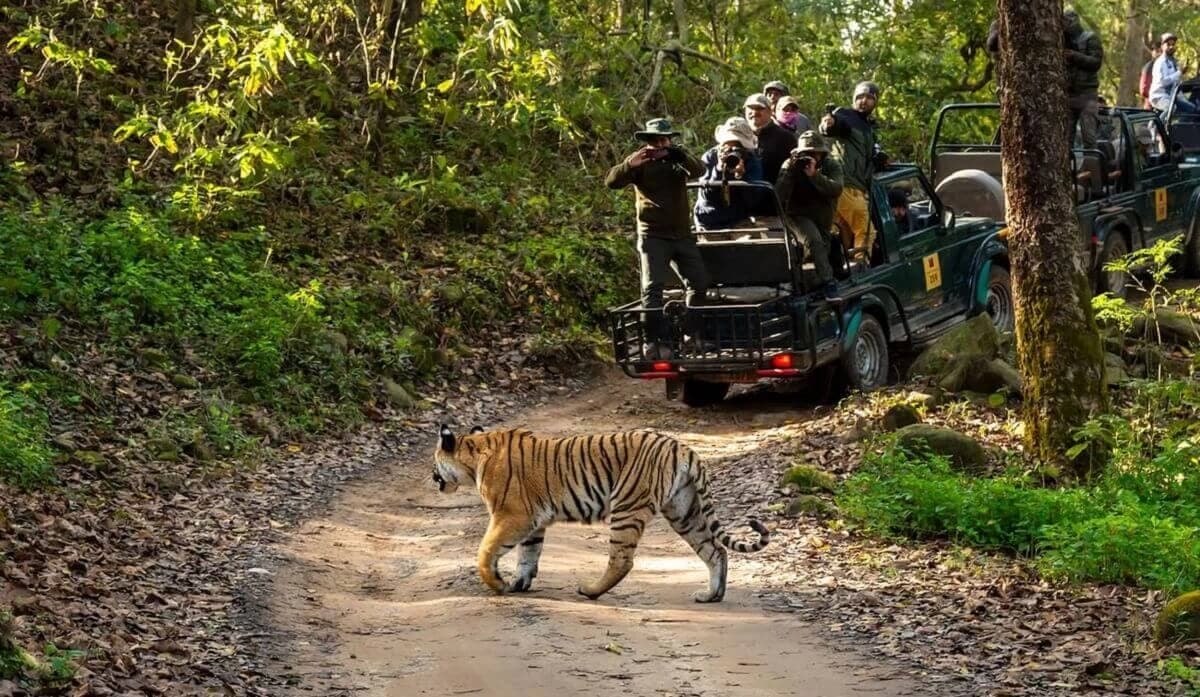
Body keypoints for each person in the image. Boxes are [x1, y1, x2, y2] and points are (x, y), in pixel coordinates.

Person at [605, 118, 707, 358]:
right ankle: (652, 342)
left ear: (670, 140)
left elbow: (700, 170)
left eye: (664, 139)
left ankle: (690, 335)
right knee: (652, 290)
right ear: (647, 141)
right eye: (655, 140)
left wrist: (678, 155)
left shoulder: (677, 159)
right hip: (653, 235)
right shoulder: (639, 162)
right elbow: (612, 181)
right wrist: (630, 165)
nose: (660, 144)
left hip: (681, 233)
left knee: (699, 282)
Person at [820, 81, 887, 264]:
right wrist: (829, 123)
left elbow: (867, 155)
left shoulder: (869, 127)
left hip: (856, 186)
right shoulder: (845, 115)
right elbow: (833, 127)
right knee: (866, 230)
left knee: (842, 231)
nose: (863, 101)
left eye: (869, 98)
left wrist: (878, 159)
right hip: (845, 184)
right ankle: (860, 267)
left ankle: (841, 268)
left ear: (875, 102)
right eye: (859, 97)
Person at [775, 131, 843, 298]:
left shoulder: (831, 165)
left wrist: (815, 175)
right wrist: (790, 170)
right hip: (797, 215)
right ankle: (829, 282)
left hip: (822, 216)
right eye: (806, 153)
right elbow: (778, 194)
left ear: (822, 153)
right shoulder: (791, 165)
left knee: (821, 250)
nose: (810, 157)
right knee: (814, 241)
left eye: (814, 153)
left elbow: (836, 189)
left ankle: (810, 281)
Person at [694, 117, 766, 230]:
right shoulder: (709, 157)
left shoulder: (751, 160)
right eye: (728, 146)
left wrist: (742, 177)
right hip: (710, 219)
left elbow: (755, 199)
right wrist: (718, 169)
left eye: (738, 147)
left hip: (738, 220)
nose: (733, 151)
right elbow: (707, 195)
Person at [1063, 9, 1103, 149]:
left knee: (1089, 137)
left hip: (1087, 95)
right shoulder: (1063, 40)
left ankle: (1092, 169)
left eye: (1067, 22)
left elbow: (1095, 63)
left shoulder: (1090, 38)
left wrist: (1074, 56)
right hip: (1069, 94)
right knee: (1065, 138)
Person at [744, 93, 797, 185]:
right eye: (750, 108)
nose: (754, 112)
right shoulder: (739, 135)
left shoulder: (786, 138)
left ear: (770, 111)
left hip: (773, 194)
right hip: (744, 193)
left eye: (759, 108)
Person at [1150, 33, 1198, 114]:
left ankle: (1179, 126)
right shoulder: (1160, 62)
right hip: (1159, 97)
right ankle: (1156, 126)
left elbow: (1176, 84)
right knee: (1172, 108)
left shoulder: (1173, 62)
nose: (1171, 47)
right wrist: (1179, 73)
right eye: (1168, 44)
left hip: (1172, 97)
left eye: (1173, 44)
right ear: (1162, 46)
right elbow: (1163, 82)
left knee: (1192, 109)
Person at [1140, 44, 1161, 109]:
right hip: (1152, 107)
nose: (1159, 54)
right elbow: (1144, 90)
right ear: (1153, 53)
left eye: (1161, 51)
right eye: (1157, 51)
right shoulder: (1149, 67)